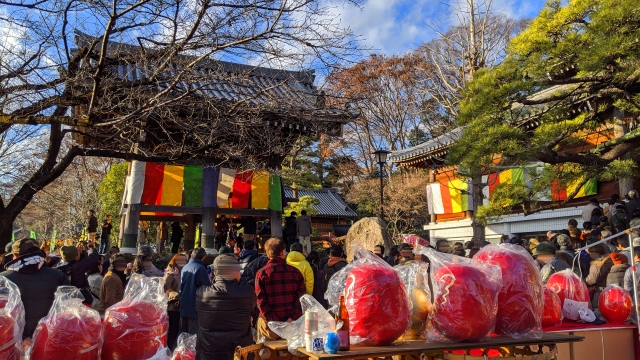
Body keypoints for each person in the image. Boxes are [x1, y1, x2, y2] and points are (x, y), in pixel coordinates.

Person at [0, 238, 69, 338]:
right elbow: (68, 310)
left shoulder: (3, 279)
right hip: (48, 340)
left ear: (15, 256)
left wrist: (22, 339)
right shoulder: (58, 276)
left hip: (13, 343)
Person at [196, 255, 255, 359]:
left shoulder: (201, 292)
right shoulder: (247, 292)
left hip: (208, 353)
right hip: (239, 353)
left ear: (215, 273)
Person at [255, 238, 305, 341]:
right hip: (292, 326)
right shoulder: (296, 272)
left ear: (267, 253)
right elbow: (301, 299)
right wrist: (291, 319)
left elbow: (260, 302)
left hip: (269, 327)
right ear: (283, 252)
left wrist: (273, 322)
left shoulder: (261, 273)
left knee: (266, 354)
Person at [180, 247, 211, 335]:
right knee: (193, 337)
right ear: (203, 257)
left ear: (192, 255)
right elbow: (206, 288)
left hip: (184, 305)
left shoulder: (185, 267)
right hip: (194, 307)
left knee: (183, 334)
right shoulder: (200, 268)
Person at [164, 253, 188, 350]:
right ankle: (169, 349)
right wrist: (171, 275)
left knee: (182, 329)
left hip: (185, 303)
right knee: (173, 329)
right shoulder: (171, 270)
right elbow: (165, 286)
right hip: (174, 303)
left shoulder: (187, 269)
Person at [585, 244, 614, 309]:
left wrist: (583, 282)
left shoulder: (597, 264)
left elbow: (592, 280)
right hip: (610, 289)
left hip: (600, 290)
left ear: (595, 254)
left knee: (598, 309)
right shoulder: (610, 260)